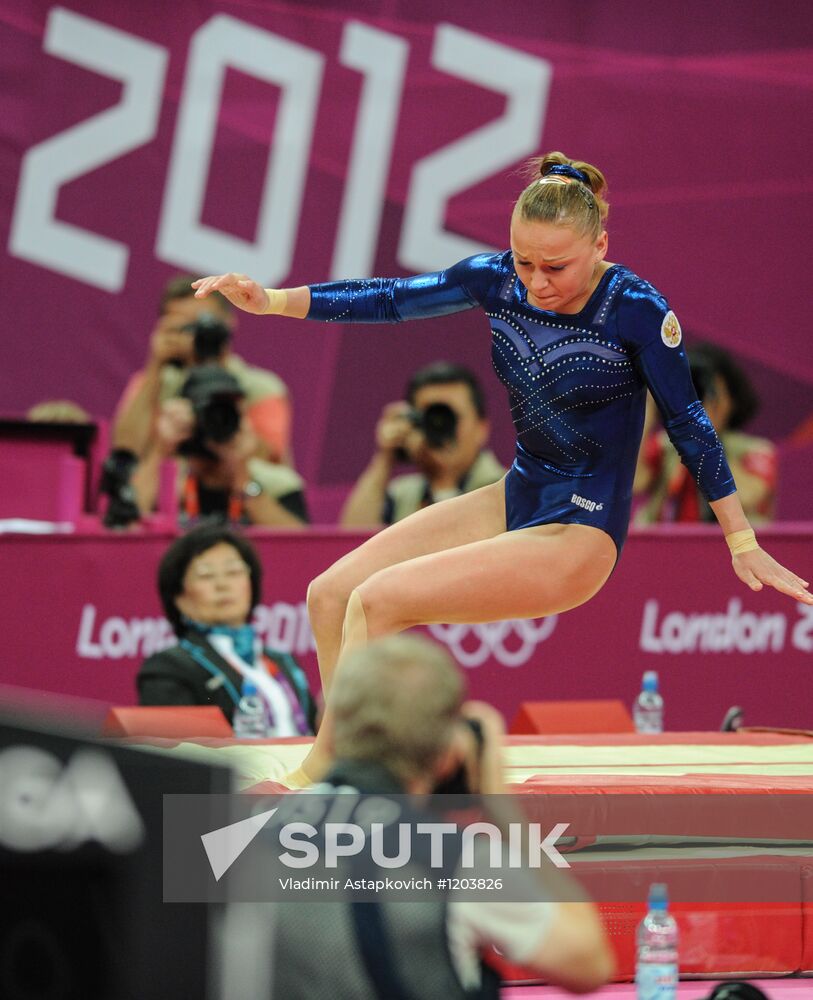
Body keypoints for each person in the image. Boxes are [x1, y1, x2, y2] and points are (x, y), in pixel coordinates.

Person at [193, 151, 812, 784]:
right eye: (523, 261)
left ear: (601, 244)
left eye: (556, 266)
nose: (537, 282)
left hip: (581, 532)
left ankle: (335, 774)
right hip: (518, 493)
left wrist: (741, 538)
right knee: (329, 596)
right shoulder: (495, 280)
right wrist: (273, 299)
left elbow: (690, 425)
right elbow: (387, 299)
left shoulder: (637, 310)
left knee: (377, 602)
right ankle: (352, 762)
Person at [272, 634, 615, 998]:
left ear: (331, 735)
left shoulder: (245, 837)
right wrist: (501, 805)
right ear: (449, 755)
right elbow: (590, 964)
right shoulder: (459, 861)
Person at [137, 524, 316, 734]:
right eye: (206, 575)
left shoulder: (283, 660)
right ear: (180, 597)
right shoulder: (167, 668)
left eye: (234, 571)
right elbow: (175, 756)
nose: (222, 584)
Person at [112, 273, 293, 464]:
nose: (195, 334)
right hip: (165, 490)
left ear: (229, 323)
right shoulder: (153, 384)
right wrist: (155, 366)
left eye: (203, 324)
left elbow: (274, 467)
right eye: (183, 327)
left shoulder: (261, 389)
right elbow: (124, 452)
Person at [128, 367, 309, 528]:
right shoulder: (164, 479)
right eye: (206, 414)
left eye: (226, 414)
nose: (215, 422)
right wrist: (161, 450)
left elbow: (298, 545)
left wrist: (242, 477)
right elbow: (126, 527)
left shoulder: (278, 482)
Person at [340, 361, 505, 527]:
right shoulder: (402, 494)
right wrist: (385, 457)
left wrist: (443, 482)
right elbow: (351, 541)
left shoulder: (508, 489)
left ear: (481, 428)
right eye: (430, 417)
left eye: (451, 417)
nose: (440, 426)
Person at [635, 343, 777, 524]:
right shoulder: (666, 446)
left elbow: (745, 497)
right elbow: (636, 482)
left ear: (731, 400)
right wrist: (650, 407)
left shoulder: (755, 451)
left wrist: (706, 434)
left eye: (708, 392)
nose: (699, 399)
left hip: (727, 548)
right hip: (669, 549)